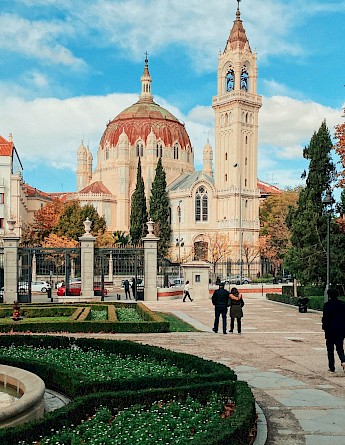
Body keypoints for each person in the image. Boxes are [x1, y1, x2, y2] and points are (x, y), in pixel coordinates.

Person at [322, 288, 345, 373]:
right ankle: (343, 361)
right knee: (340, 348)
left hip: (330, 330)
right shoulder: (343, 305)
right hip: (340, 330)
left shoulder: (327, 305)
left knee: (330, 349)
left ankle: (332, 367)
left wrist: (324, 328)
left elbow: (325, 319)